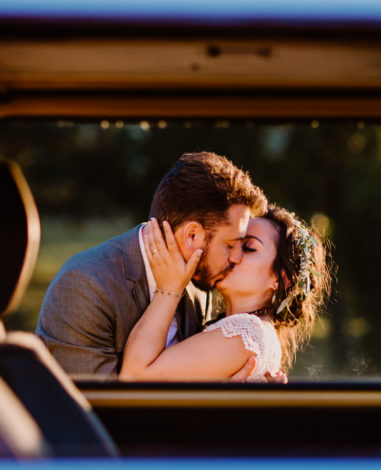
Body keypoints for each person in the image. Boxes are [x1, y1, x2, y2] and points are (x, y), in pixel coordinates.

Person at [36, 152, 267, 378]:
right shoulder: (85, 286)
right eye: (230, 244)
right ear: (192, 235)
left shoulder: (199, 283)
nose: (237, 257)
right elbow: (97, 410)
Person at [119, 205, 330, 381]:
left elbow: (133, 377)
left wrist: (168, 290)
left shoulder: (245, 333)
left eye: (248, 248)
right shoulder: (251, 333)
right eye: (232, 243)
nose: (233, 256)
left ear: (281, 279)